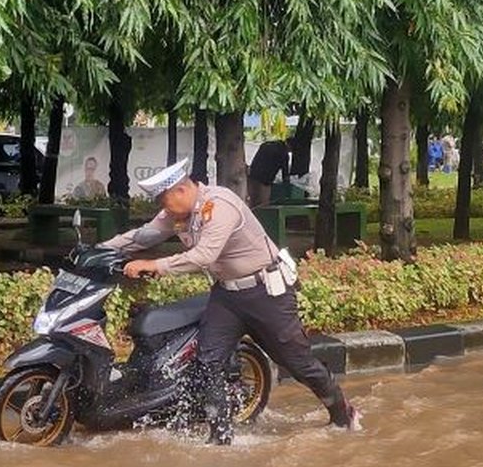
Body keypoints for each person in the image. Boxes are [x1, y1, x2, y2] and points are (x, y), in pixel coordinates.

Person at [99, 159, 359, 445]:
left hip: (265, 293)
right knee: (207, 362)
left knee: (297, 363)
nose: (163, 208)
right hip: (227, 296)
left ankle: (342, 414)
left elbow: (203, 256)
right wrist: (96, 251)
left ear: (182, 190)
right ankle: (220, 436)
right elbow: (142, 236)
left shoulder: (220, 205)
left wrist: (153, 265)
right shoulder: (175, 214)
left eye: (164, 200)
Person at [247, 138, 290, 207]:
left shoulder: (265, 144)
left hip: (252, 175)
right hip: (265, 180)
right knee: (263, 204)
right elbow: (285, 174)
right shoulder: (284, 153)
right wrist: (287, 189)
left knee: (251, 200)